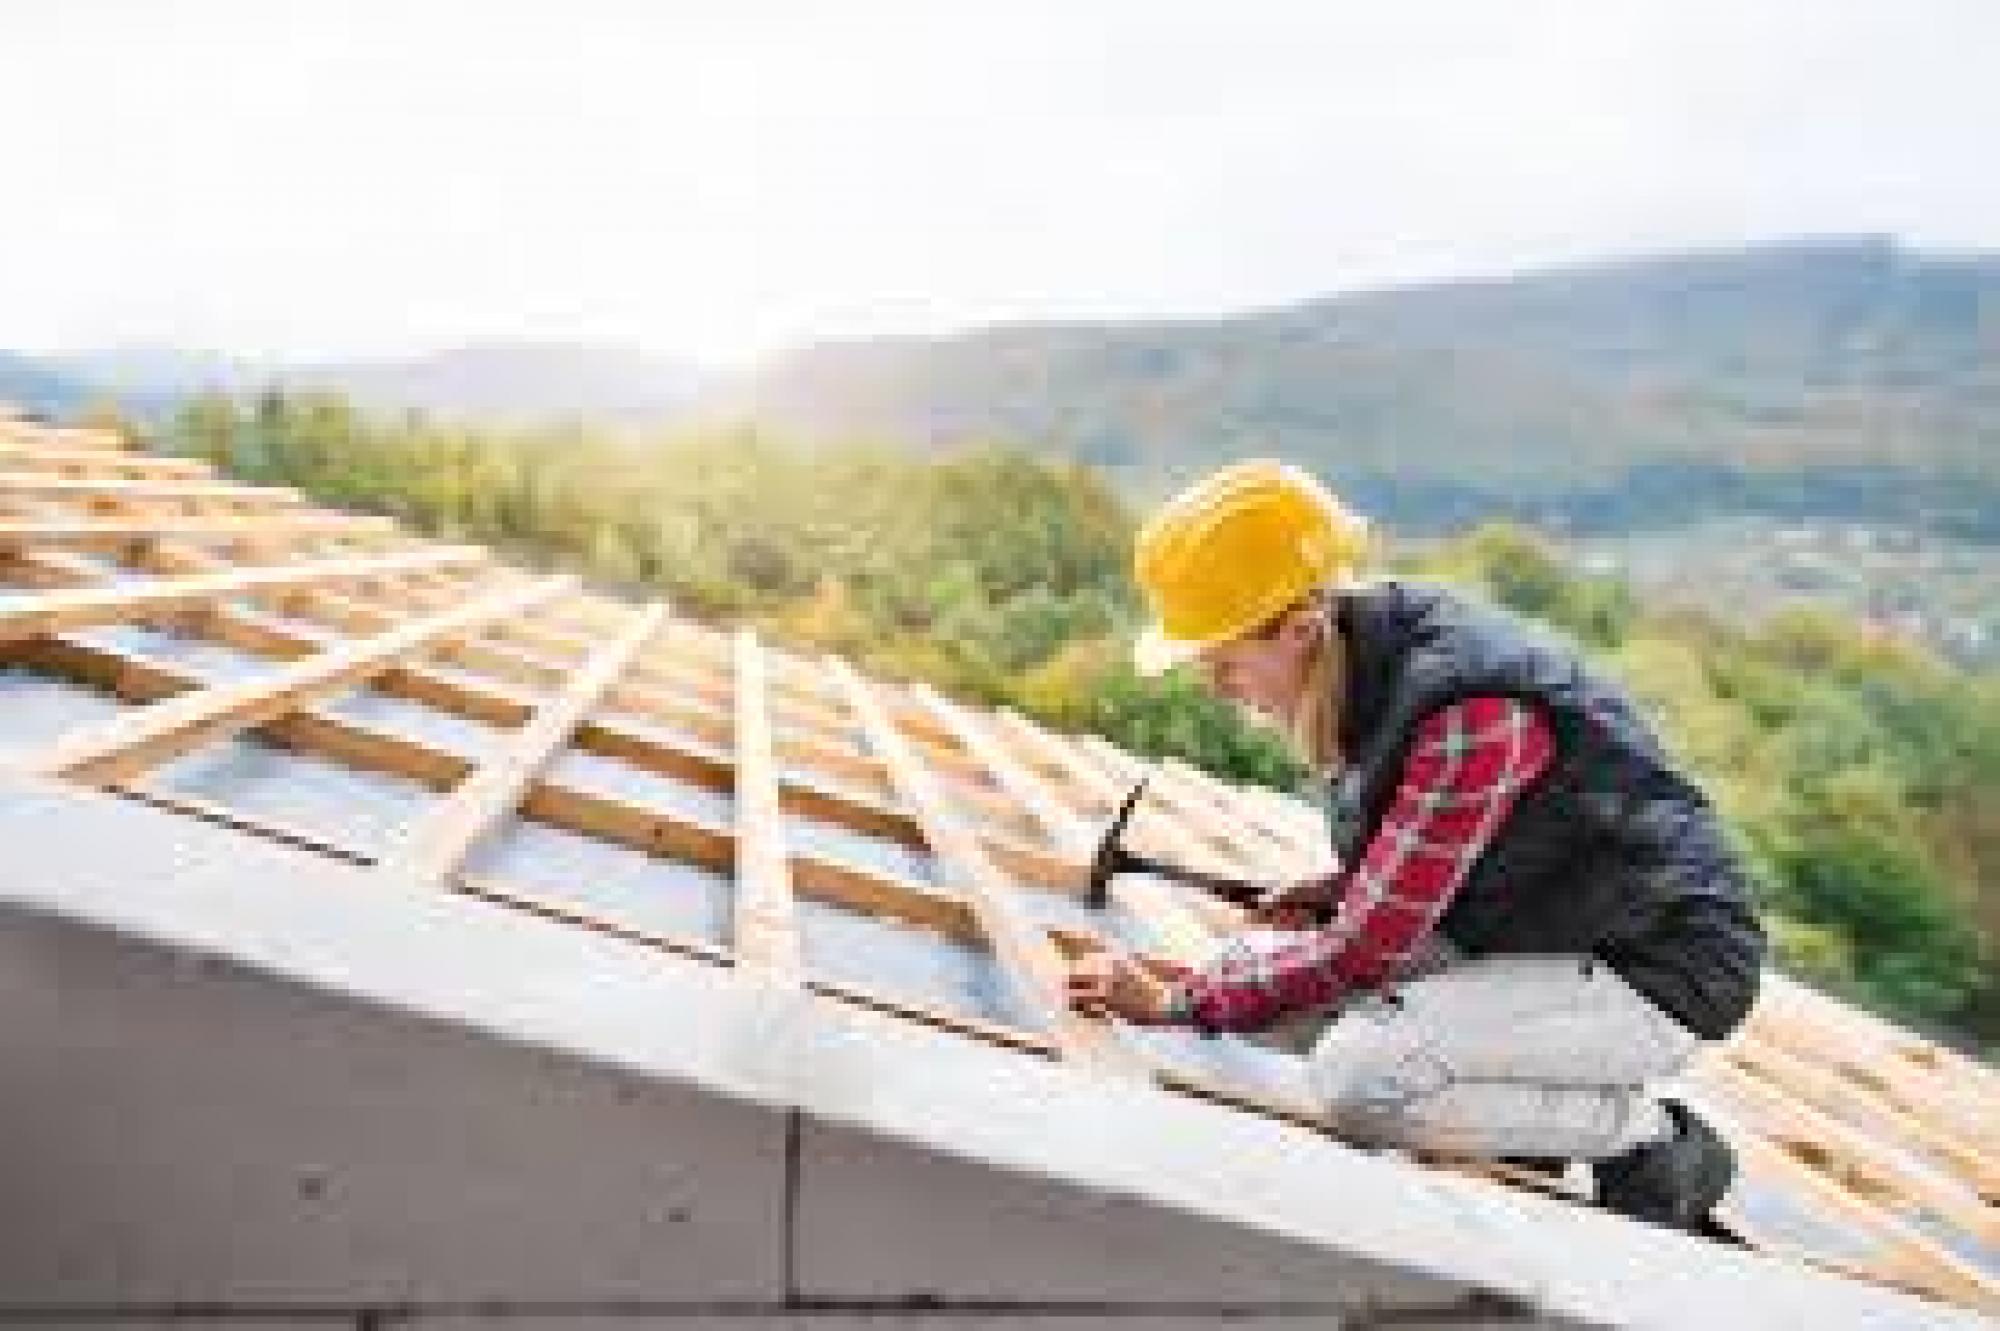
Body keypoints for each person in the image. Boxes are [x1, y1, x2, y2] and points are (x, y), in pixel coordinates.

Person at [1064, 459, 1766, 1233]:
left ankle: (1654, 1141)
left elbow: (1363, 950)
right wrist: (1343, 886)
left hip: (1658, 968)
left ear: (1298, 628)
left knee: (1360, 1075)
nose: (1216, 685)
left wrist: (1175, 1001)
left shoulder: (1468, 712)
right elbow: (1487, 843)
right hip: (1545, 931)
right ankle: (1524, 1119)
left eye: (1223, 662)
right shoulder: (1367, 663)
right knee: (1268, 989)